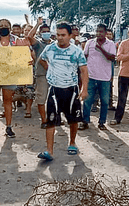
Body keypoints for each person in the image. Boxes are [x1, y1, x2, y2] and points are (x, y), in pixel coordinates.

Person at [38, 22, 88, 160]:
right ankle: (49, 151)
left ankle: (72, 143)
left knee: (73, 120)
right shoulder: (49, 48)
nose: (60, 38)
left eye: (63, 35)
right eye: (58, 35)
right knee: (51, 120)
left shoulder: (77, 51)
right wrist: (49, 69)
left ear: (70, 35)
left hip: (71, 90)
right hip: (54, 90)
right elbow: (41, 59)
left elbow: (84, 70)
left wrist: (84, 89)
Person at [0, 19, 30, 138]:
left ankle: (9, 127)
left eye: (6, 25)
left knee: (8, 101)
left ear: (9, 28)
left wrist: (29, 61)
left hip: (10, 75)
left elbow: (25, 54)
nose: (3, 27)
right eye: (1, 25)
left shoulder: (15, 41)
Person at [80, 23, 116, 130]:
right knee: (87, 100)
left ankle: (102, 122)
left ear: (105, 33)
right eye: (97, 31)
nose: (98, 33)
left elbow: (112, 58)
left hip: (104, 78)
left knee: (104, 101)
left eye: (101, 31)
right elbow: (84, 56)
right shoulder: (90, 43)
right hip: (91, 76)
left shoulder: (110, 44)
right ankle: (85, 121)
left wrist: (101, 49)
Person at [30, 20, 52, 128]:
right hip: (42, 75)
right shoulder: (38, 44)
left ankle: (54, 118)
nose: (46, 33)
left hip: (55, 75)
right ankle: (44, 120)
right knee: (41, 98)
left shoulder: (54, 44)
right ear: (40, 33)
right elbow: (29, 37)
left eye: (48, 31)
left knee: (55, 99)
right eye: (44, 31)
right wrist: (37, 24)